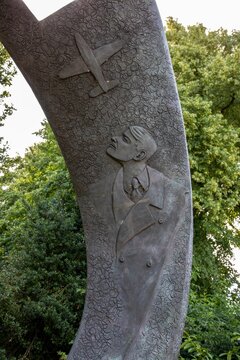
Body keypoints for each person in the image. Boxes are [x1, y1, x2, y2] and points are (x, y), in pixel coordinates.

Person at [106, 125, 186, 356]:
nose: (114, 137)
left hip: (144, 290)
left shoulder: (174, 193)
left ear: (139, 155)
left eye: (124, 138)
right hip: (116, 292)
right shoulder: (102, 188)